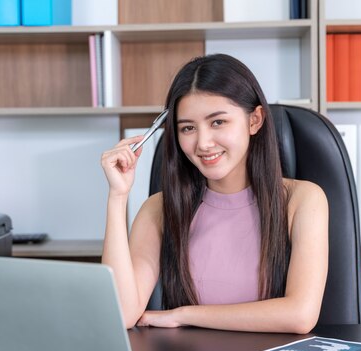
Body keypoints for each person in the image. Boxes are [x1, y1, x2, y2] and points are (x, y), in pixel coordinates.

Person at [100, 54, 328, 334]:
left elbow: (300, 315)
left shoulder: (302, 200)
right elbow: (121, 314)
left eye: (217, 122)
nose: (203, 143)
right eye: (188, 128)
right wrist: (117, 196)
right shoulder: (159, 209)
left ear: (254, 120)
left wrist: (185, 315)